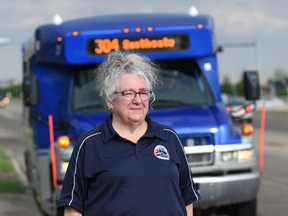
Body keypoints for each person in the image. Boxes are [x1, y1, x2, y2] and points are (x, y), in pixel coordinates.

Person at [57, 52, 200, 216]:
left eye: (143, 92)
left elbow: (187, 198)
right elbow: (72, 208)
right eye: (129, 93)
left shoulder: (169, 137)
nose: (138, 100)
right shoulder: (88, 145)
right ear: (109, 100)